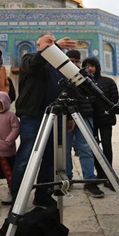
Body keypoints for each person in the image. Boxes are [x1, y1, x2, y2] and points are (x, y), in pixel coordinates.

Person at [12, 33, 76, 207]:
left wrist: (69, 116)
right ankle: (17, 195)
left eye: (54, 42)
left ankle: (42, 195)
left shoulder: (58, 66)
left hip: (56, 117)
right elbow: (34, 65)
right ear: (38, 44)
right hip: (33, 116)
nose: (52, 44)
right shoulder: (29, 58)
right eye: (49, 42)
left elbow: (64, 91)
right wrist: (56, 49)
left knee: (50, 158)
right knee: (26, 156)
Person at [64, 50, 103, 198]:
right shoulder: (59, 75)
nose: (73, 64)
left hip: (84, 115)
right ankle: (66, 178)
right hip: (64, 117)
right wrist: (68, 116)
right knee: (65, 150)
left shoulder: (85, 76)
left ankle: (89, 180)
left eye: (76, 61)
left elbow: (90, 95)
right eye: (70, 61)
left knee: (86, 148)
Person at [81, 56, 118, 191]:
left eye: (91, 66)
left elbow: (114, 99)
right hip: (91, 120)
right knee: (94, 147)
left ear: (97, 67)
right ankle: (100, 173)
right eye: (86, 66)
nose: (89, 69)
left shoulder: (108, 82)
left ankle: (109, 175)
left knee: (107, 146)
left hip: (105, 120)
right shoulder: (83, 83)